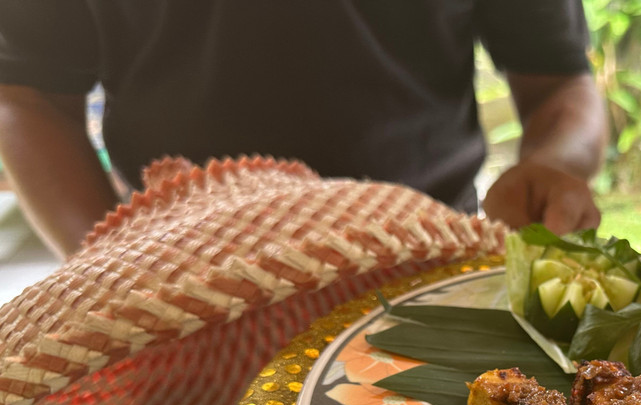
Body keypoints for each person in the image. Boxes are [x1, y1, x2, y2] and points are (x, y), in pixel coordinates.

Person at [0, 1, 605, 258]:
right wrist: (107, 264)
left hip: (426, 267)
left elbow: (561, 84)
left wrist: (555, 165)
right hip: (179, 287)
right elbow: (29, 97)